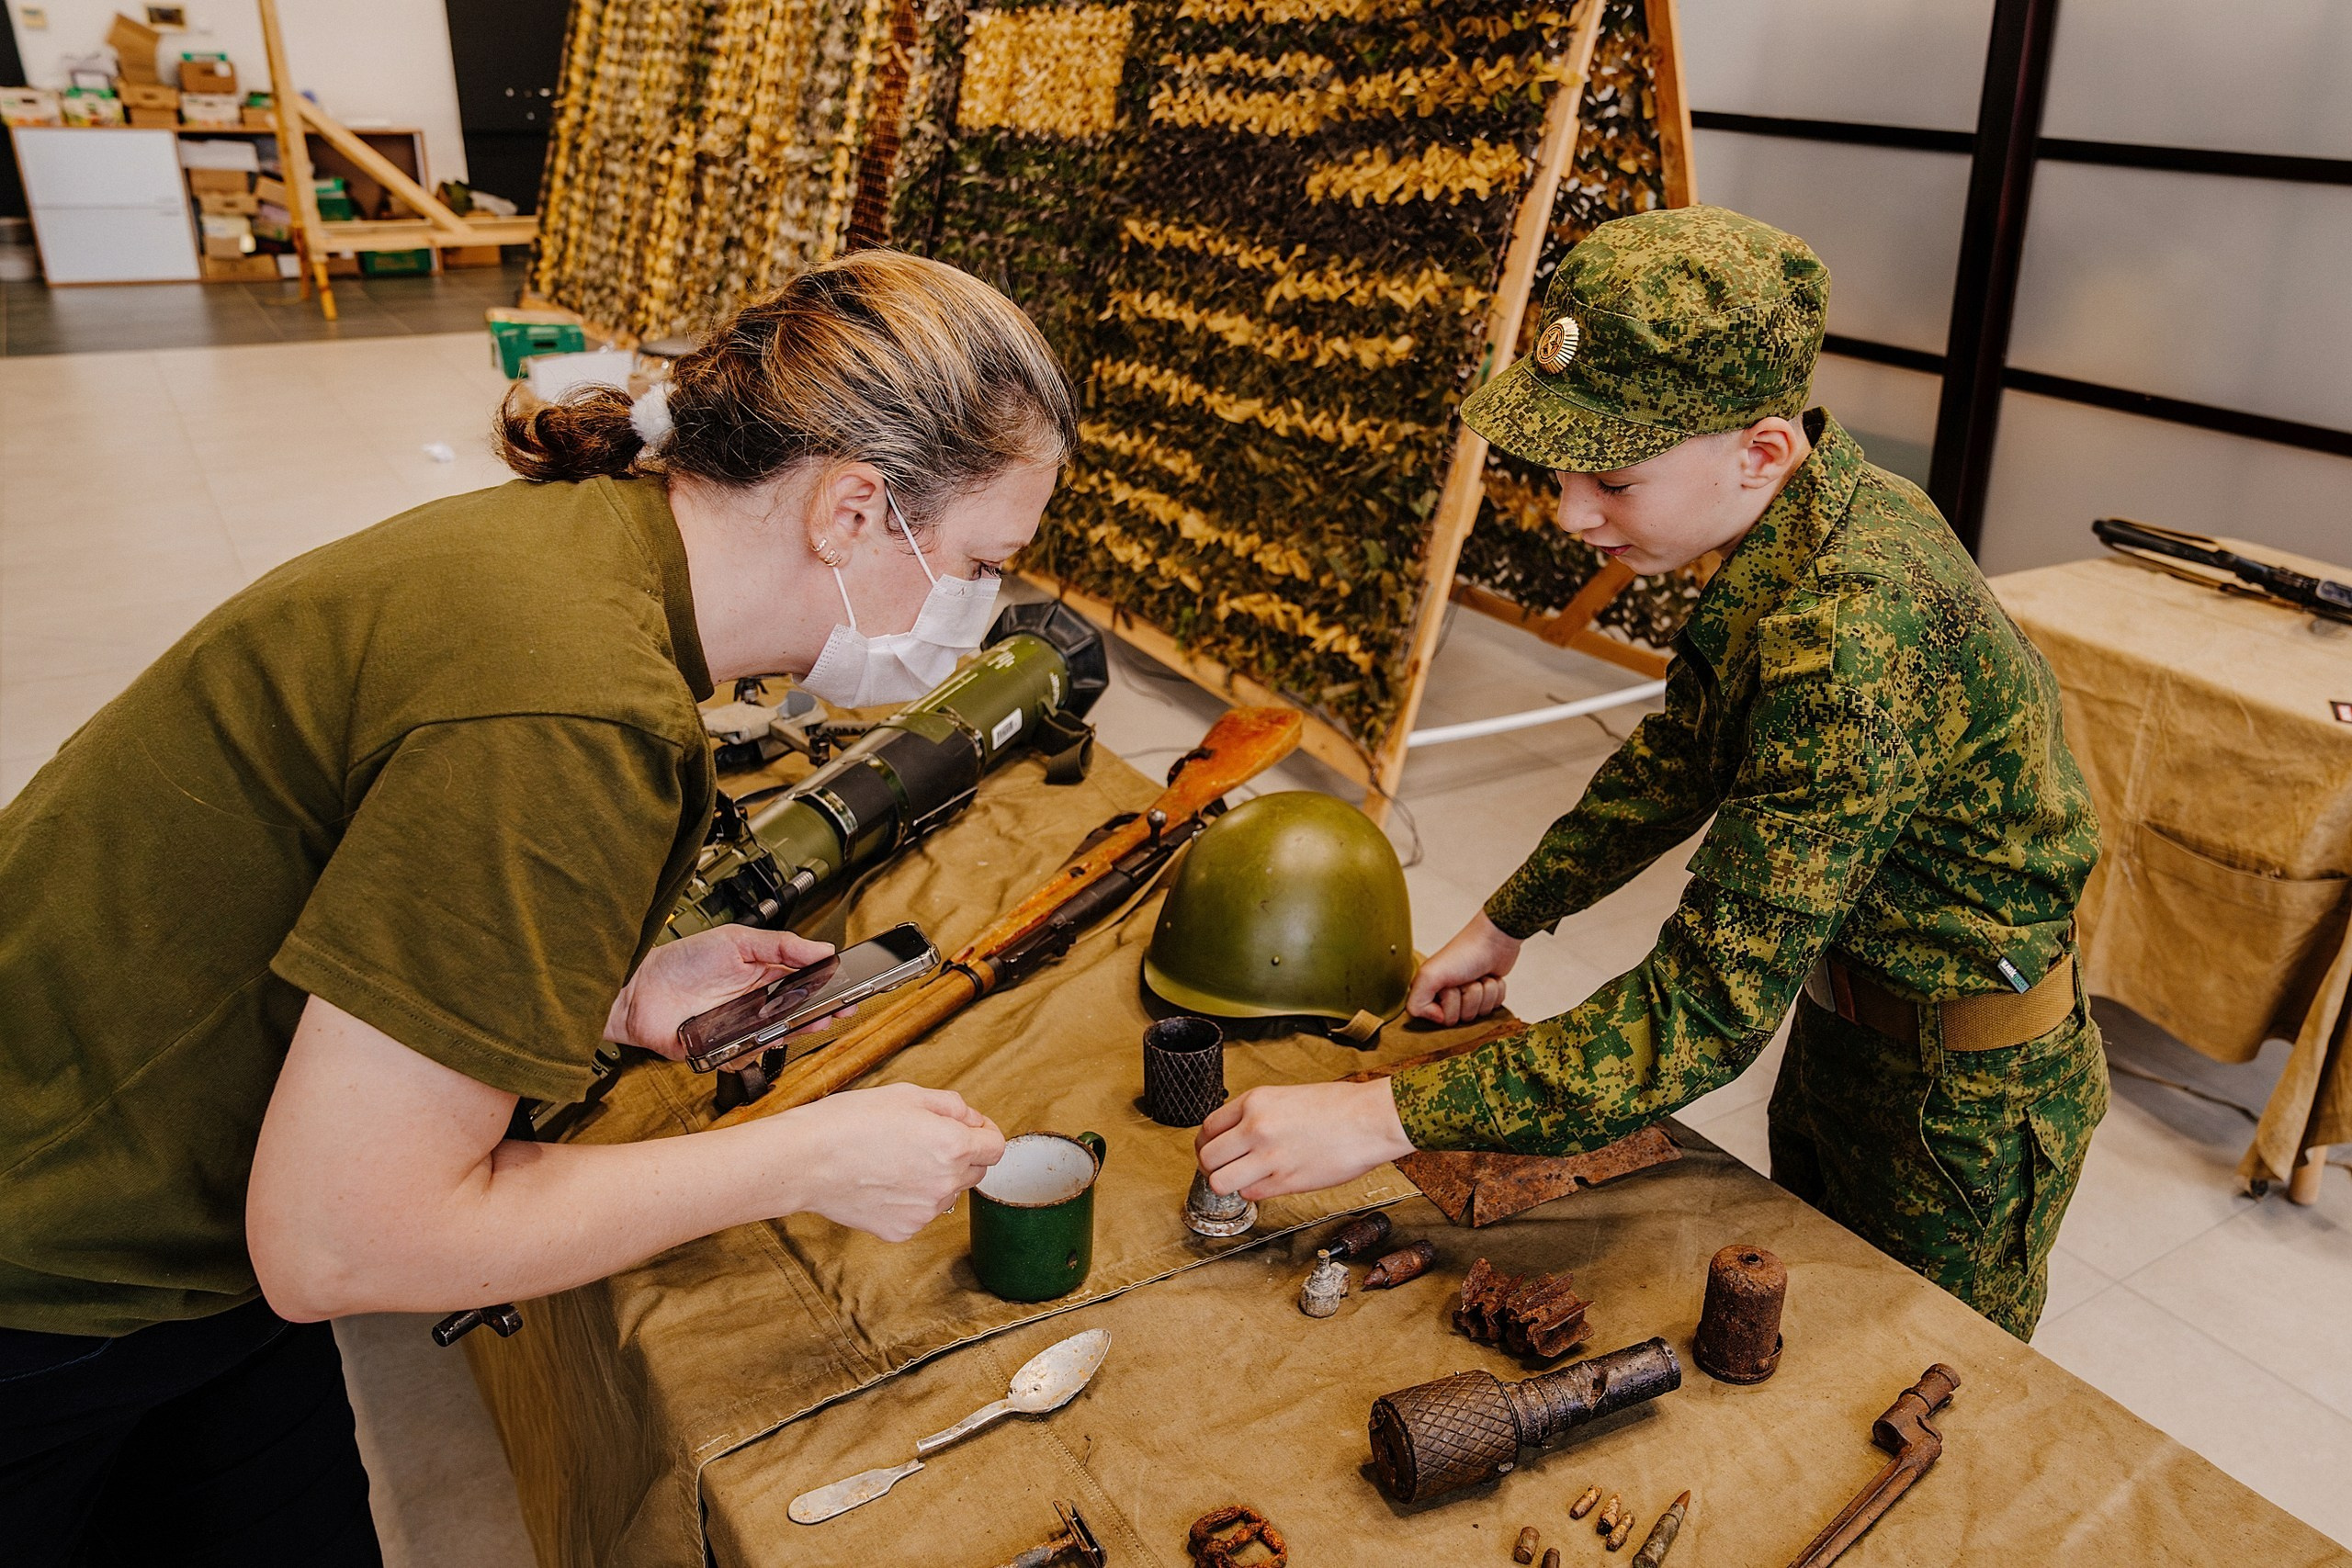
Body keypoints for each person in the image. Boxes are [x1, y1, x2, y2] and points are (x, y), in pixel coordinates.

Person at [0, 250, 1075, 1563]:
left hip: (160, 1219)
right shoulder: (575, 705)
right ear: (852, 510)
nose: (976, 611)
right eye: (980, 562)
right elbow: (343, 1237)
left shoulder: (578, 556)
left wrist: (605, 987)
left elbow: (352, 879)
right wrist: (810, 1157)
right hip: (52, 1273)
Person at [1194, 206, 2108, 1342]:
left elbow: (1702, 1014)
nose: (1572, 514)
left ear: (1760, 451)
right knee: (1794, 1326)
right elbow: (1683, 754)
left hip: (1963, 1099)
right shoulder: (1807, 520)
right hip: (1847, 1025)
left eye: (1613, 481)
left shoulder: (1855, 636)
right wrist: (1510, 918)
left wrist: (1384, 1118)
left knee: (1928, 1376)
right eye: (1564, 473)